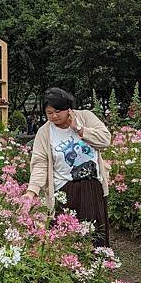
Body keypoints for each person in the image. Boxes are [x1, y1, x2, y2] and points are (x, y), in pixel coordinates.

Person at [24, 87, 111, 246]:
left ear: (68, 109)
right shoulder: (44, 133)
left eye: (58, 111)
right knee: (65, 236)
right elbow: (40, 163)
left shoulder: (85, 117)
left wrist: (79, 129)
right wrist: (32, 192)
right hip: (64, 189)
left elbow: (105, 140)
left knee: (93, 236)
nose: (54, 116)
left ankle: (98, 268)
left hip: (91, 187)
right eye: (49, 113)